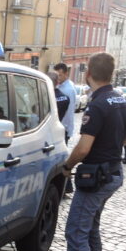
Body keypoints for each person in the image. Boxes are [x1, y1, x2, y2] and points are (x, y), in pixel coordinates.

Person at [58, 53, 126, 251]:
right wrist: (110, 147)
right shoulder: (120, 99)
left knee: (75, 231)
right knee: (90, 227)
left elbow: (83, 148)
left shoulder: (98, 104)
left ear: (88, 72)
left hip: (97, 178)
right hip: (113, 172)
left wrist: (67, 167)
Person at [53, 63, 77, 193]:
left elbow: (67, 113)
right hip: (65, 127)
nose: (59, 78)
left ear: (66, 74)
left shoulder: (67, 90)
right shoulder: (65, 86)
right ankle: (67, 187)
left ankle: (65, 187)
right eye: (57, 75)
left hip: (63, 127)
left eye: (60, 75)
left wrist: (64, 128)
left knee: (62, 158)